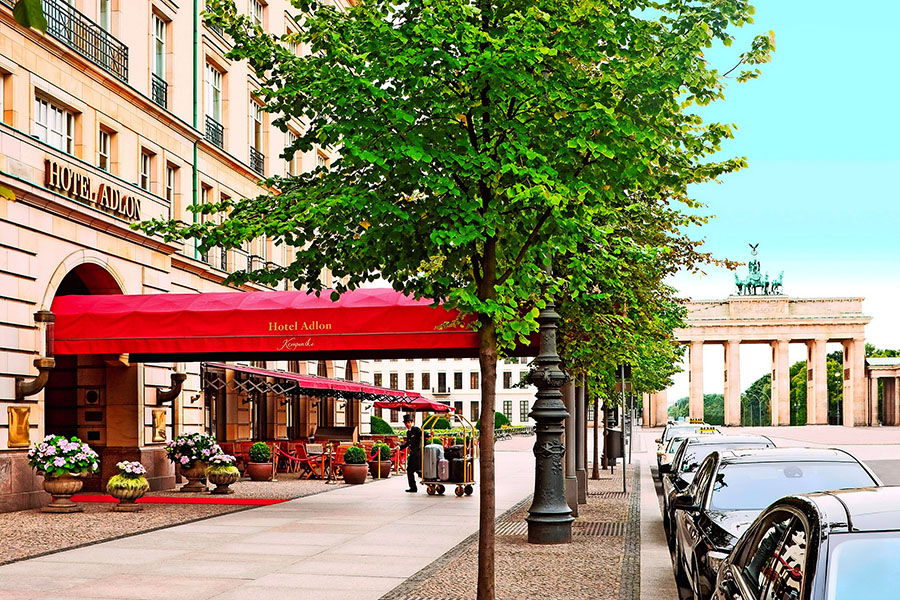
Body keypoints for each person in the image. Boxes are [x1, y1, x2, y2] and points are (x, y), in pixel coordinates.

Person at [398, 413, 422, 493]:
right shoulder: (408, 432)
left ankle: (427, 482)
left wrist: (429, 435)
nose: (407, 424)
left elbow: (423, 435)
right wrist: (400, 447)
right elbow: (408, 443)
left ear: (412, 422)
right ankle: (413, 487)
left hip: (418, 454)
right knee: (410, 470)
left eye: (408, 422)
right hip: (412, 454)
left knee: (418, 470)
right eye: (406, 423)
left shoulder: (416, 429)